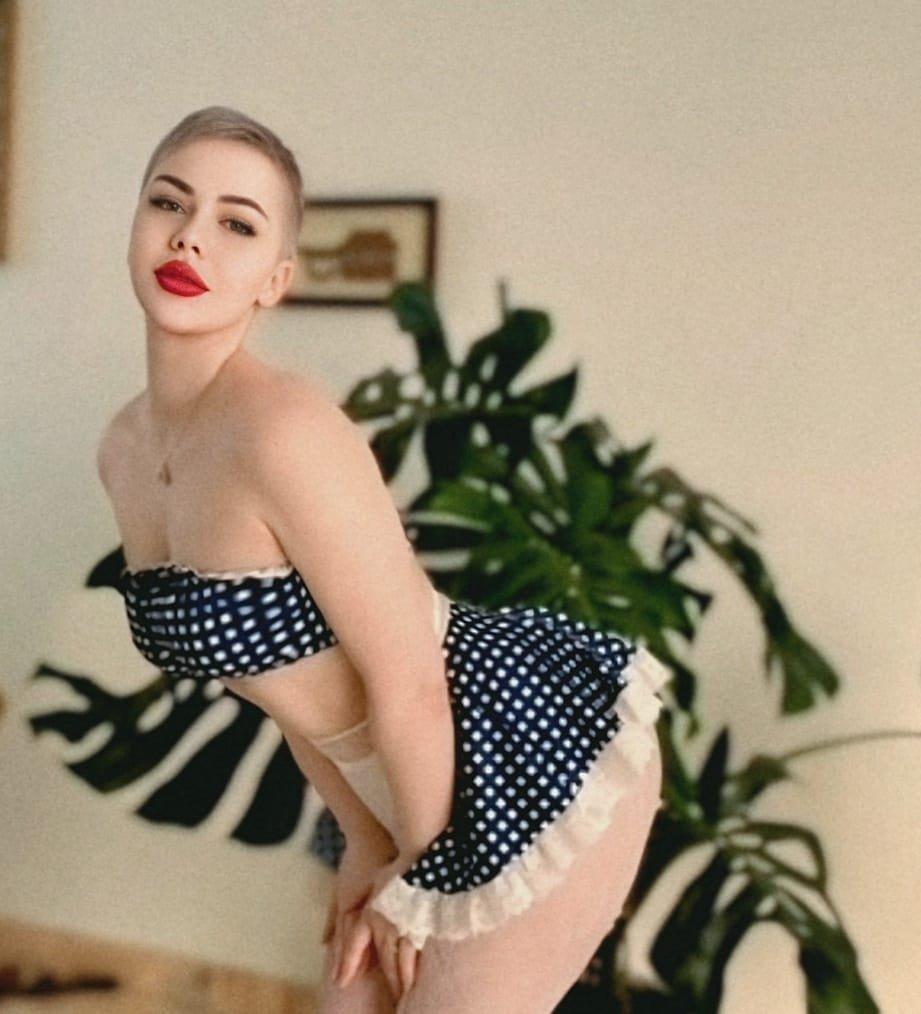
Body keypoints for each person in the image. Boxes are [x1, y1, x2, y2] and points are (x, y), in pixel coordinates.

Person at [98, 105, 673, 1013]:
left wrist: (425, 872)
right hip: (393, 793)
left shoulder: (285, 430)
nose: (190, 238)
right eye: (169, 203)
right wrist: (367, 844)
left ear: (275, 280)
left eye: (237, 224)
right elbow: (281, 683)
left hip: (512, 752)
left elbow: (408, 679)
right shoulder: (125, 450)